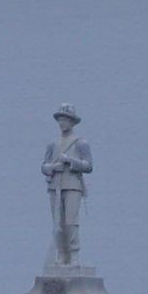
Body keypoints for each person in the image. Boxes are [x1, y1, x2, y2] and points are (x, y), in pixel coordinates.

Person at [41, 104, 92, 266]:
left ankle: (74, 253)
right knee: (58, 223)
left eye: (65, 120)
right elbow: (44, 165)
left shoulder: (80, 143)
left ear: (72, 122)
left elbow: (88, 166)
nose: (62, 123)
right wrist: (52, 168)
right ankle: (61, 254)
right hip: (55, 186)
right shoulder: (52, 143)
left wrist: (70, 161)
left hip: (72, 186)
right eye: (60, 120)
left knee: (71, 221)